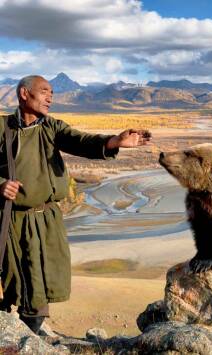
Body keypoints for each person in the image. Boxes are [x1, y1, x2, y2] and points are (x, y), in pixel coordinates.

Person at [0, 75, 151, 333]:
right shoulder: (3, 127)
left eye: (52, 92)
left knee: (43, 278)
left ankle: (31, 333)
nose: (51, 97)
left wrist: (114, 142)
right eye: (44, 91)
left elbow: (81, 141)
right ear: (24, 94)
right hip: (11, 220)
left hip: (47, 220)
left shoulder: (52, 127)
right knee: (15, 276)